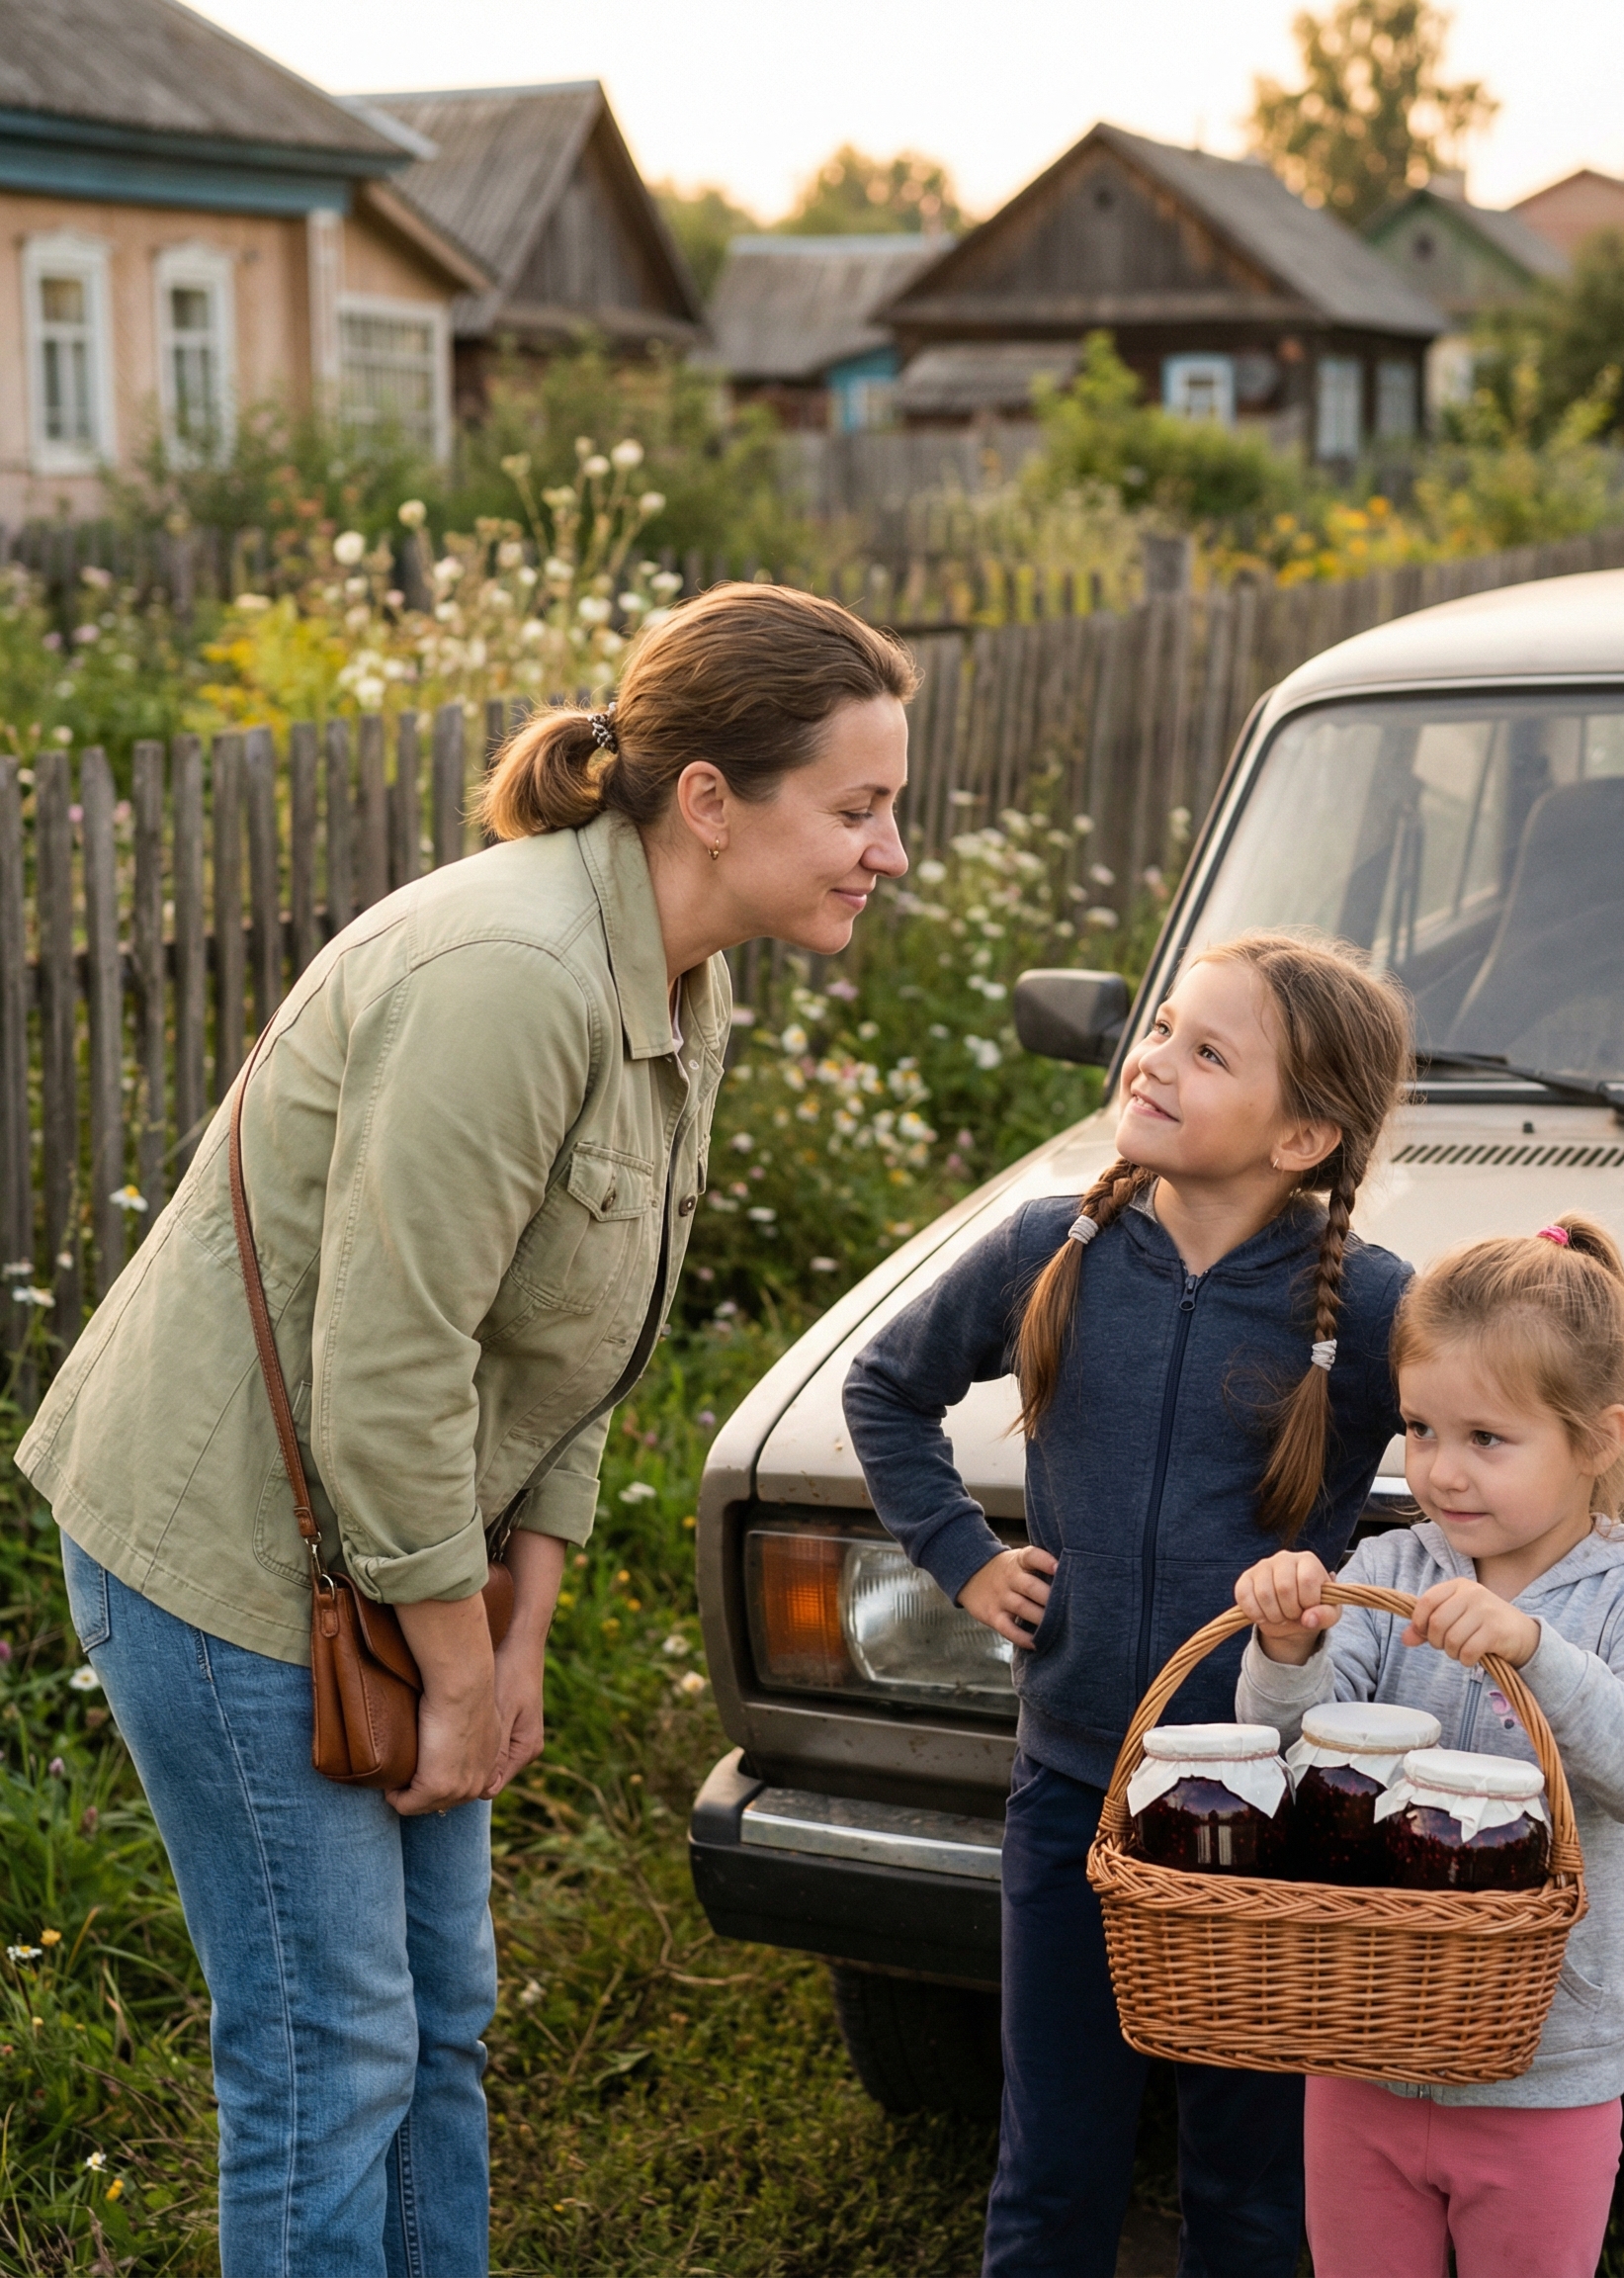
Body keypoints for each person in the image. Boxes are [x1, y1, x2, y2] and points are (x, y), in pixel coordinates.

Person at [17, 584, 915, 2278]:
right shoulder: (509, 974)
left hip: (409, 1546)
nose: (887, 850)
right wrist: (449, 1662)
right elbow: (389, 1363)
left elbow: (573, 1335)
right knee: (329, 2041)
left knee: (443, 2016)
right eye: (856, 807)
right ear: (711, 796)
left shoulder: (680, 966)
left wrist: (521, 1628)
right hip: (231, 1554)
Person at [844, 932, 1416, 2278]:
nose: (1153, 1058)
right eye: (1162, 1027)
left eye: (1208, 1052)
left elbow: (1478, 1471)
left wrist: (1400, 1624)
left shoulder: (1375, 1306)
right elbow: (886, 1389)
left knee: (1253, 2192)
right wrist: (961, 1553)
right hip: (1069, 1798)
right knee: (1052, 2173)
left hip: (1272, 1819)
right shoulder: (1056, 1246)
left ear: (1302, 1135)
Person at [1234, 1213, 1624, 2278]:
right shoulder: (1387, 1570)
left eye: (1485, 1439)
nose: (1440, 1472)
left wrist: (1536, 1650)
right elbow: (1278, 1766)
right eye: (1418, 1429)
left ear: (1596, 1437)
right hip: (1357, 2047)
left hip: (1543, 2072)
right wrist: (1283, 1648)